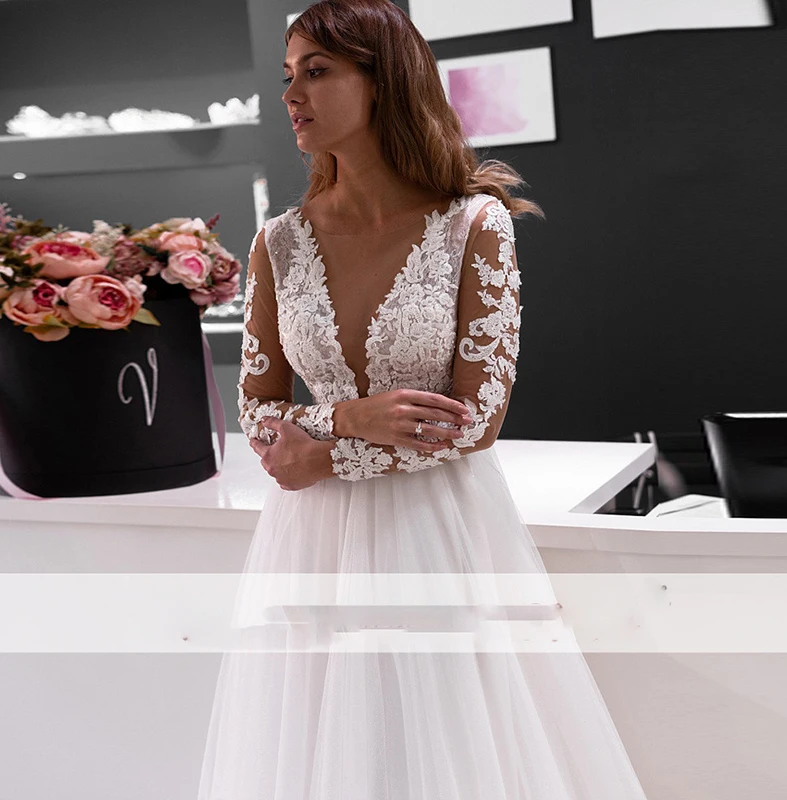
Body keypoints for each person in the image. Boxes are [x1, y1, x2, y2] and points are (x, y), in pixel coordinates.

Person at [198, 2, 649, 798]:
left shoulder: (475, 223)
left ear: (384, 81)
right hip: (312, 540)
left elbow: (477, 422)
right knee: (323, 749)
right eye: (288, 75)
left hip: (438, 531)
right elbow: (257, 411)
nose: (292, 94)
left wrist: (328, 452)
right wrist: (346, 418)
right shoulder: (279, 241)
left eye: (317, 72)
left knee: (451, 748)